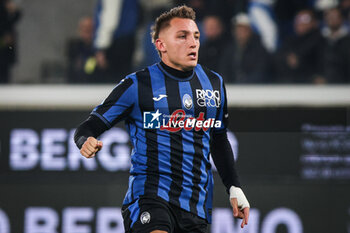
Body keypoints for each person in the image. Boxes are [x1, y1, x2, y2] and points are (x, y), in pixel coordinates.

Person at [74, 5, 250, 233]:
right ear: (161, 45)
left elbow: (218, 139)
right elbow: (88, 126)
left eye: (196, 36)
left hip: (195, 206)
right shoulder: (137, 85)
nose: (193, 42)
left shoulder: (214, 83)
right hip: (149, 198)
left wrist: (234, 187)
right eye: (182, 36)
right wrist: (85, 140)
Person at [219, 13, 270, 83]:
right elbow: (223, 70)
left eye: (243, 30)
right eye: (238, 29)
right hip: (232, 87)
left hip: (253, 88)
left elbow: (261, 72)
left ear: (249, 31)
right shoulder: (229, 49)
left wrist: (245, 82)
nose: (240, 32)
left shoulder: (259, 50)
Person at [321, 7, 350, 83]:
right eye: (329, 17)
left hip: (344, 84)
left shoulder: (347, 39)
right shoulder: (319, 39)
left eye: (335, 17)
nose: (332, 20)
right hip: (322, 84)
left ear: (342, 19)